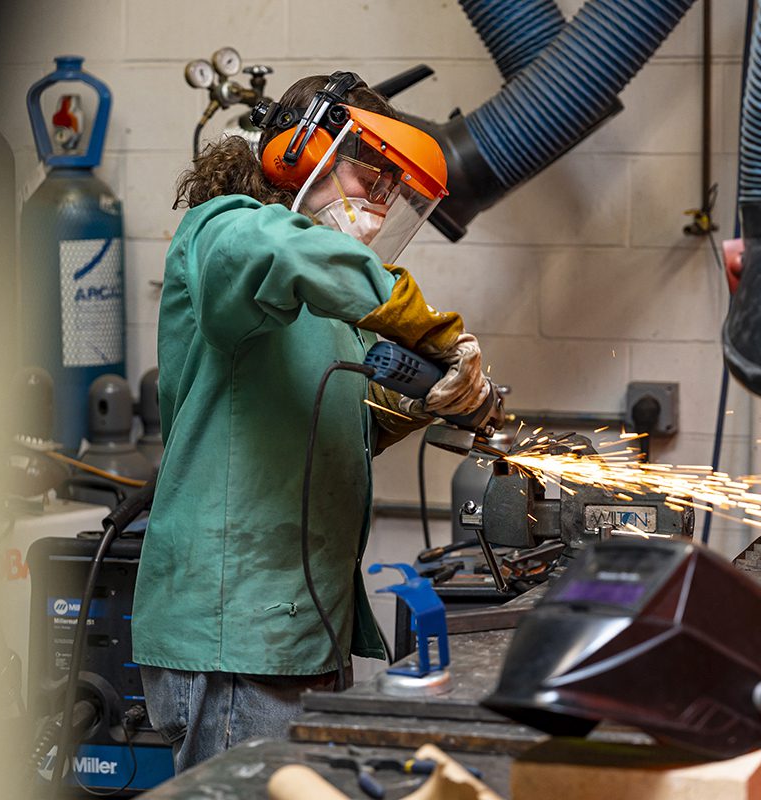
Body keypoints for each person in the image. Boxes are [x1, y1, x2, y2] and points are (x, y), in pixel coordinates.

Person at [130, 72, 492, 773]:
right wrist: (423, 324)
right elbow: (279, 247)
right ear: (299, 153)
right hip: (238, 631)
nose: (380, 205)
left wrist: (425, 400)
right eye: (371, 176)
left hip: (297, 629)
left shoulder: (325, 303)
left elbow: (338, 420)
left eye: (394, 190)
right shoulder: (227, 232)